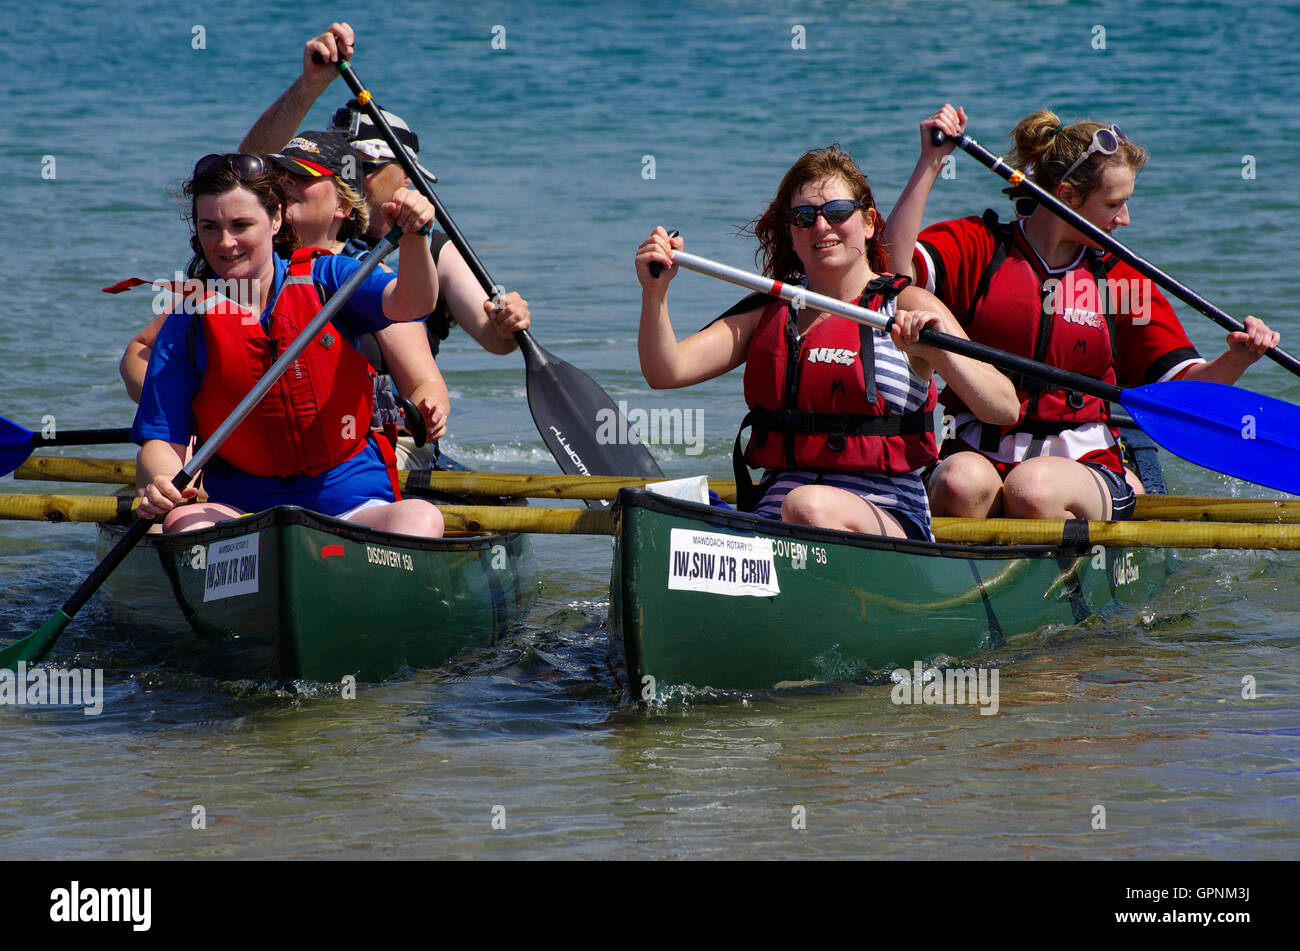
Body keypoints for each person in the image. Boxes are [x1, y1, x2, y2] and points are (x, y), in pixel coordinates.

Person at [882, 105, 1281, 521]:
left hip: (1083, 465)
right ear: (1068, 197)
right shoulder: (978, 247)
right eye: (1114, 204)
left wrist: (1238, 357)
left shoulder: (1119, 279)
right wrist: (931, 163)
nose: (1124, 219)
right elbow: (890, 276)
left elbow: (1183, 396)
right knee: (957, 483)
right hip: (977, 452)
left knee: (1032, 490)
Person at [634, 145, 1019, 540]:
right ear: (792, 234)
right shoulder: (769, 310)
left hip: (888, 515)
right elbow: (666, 371)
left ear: (869, 223)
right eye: (804, 217)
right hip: (775, 515)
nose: (821, 226)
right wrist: (655, 293)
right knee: (661, 506)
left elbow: (1003, 408)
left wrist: (935, 351)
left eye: (837, 212)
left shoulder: (909, 305)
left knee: (808, 505)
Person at [132, 152, 446, 538]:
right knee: (182, 522)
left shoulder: (329, 278)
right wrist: (162, 480)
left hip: (355, 505)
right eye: (210, 227)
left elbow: (413, 303)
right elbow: (161, 441)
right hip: (243, 513)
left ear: (276, 218)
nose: (225, 242)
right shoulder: (187, 323)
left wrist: (416, 237)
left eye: (241, 224)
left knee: (423, 518)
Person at [238, 21, 531, 359]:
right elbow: (245, 172)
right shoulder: (298, 232)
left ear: (408, 175)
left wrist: (506, 322)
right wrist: (309, 86)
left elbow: (494, 340)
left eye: (365, 166)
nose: (348, 177)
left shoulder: (435, 250)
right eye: (338, 167)